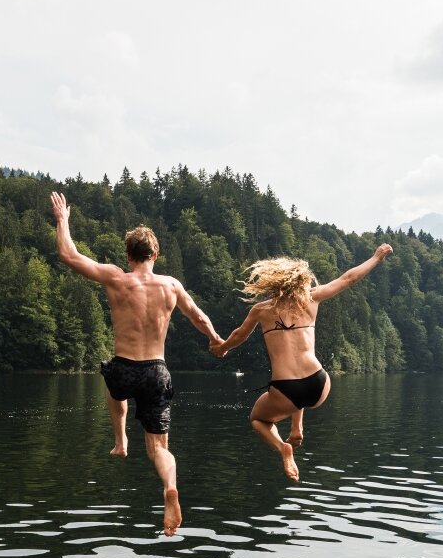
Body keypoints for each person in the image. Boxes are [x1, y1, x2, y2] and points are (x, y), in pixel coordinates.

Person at [51, 191, 220, 536]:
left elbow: (68, 254)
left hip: (124, 367)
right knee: (159, 448)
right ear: (155, 254)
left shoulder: (116, 277)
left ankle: (120, 441)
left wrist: (63, 220)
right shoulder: (171, 286)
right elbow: (199, 317)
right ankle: (169, 486)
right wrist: (216, 338)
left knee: (113, 381)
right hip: (157, 371)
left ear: (128, 255)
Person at [211, 243, 393, 481]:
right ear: (299, 281)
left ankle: (283, 449)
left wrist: (223, 348)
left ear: (274, 283)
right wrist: (376, 258)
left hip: (285, 389)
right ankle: (297, 428)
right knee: (300, 391)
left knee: (258, 419)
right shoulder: (311, 299)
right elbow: (348, 279)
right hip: (319, 383)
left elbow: (239, 335)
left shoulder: (261, 309)